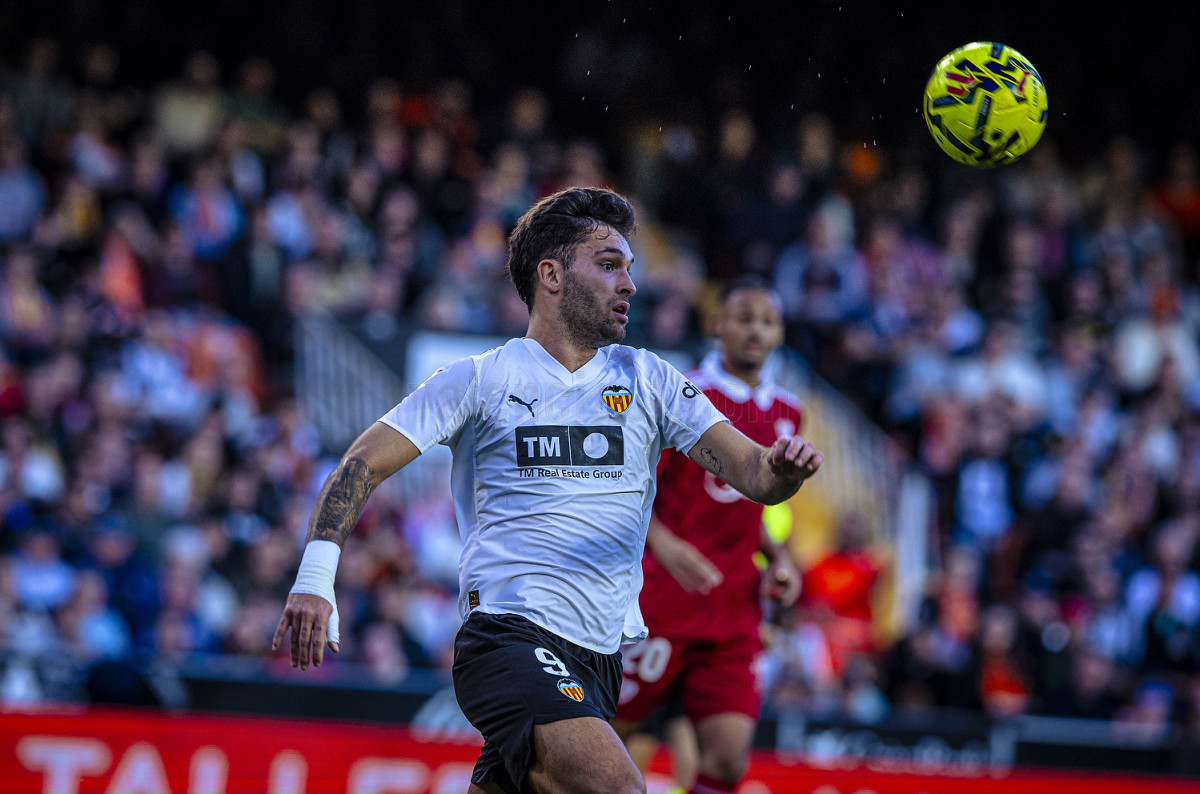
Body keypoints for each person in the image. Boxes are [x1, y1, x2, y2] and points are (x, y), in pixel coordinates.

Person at [271, 187, 823, 794]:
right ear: (552, 275)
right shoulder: (481, 379)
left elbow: (755, 476)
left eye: (630, 268)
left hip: (600, 658)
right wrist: (315, 579)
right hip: (506, 637)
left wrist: (784, 468)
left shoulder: (651, 380)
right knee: (618, 787)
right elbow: (360, 465)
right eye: (608, 265)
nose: (629, 285)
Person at [611, 278, 805, 794]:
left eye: (767, 321)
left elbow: (750, 509)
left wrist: (779, 559)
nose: (755, 330)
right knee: (608, 743)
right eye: (744, 318)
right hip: (663, 602)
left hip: (734, 611)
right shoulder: (683, 393)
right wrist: (662, 542)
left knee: (727, 761)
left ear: (781, 333)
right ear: (717, 325)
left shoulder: (789, 412)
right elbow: (629, 486)